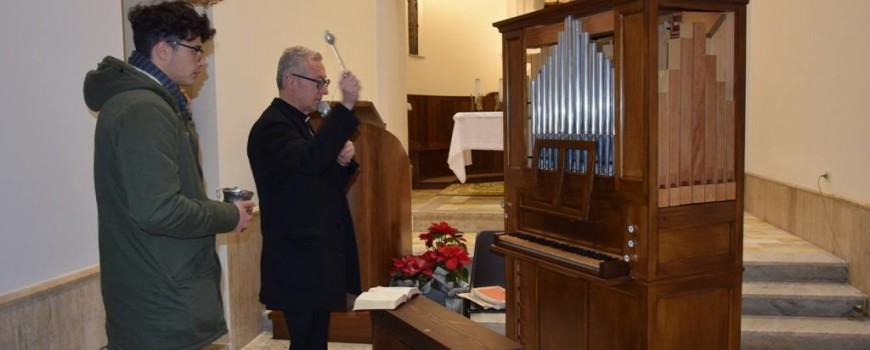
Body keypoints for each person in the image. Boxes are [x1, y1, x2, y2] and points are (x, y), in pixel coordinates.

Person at [82, 2, 255, 349]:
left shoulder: (151, 104)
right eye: (195, 50)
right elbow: (158, 209)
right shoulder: (144, 109)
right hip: (160, 300)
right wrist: (226, 214)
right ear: (163, 50)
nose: (202, 60)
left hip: (158, 290)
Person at [247, 46, 362, 350]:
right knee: (306, 342)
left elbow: (319, 181)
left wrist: (341, 162)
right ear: (291, 80)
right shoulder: (273, 125)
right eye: (319, 82)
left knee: (315, 341)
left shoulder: (301, 123)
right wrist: (346, 107)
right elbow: (309, 161)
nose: (324, 91)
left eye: (325, 83)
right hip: (296, 260)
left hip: (313, 257)